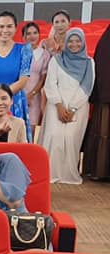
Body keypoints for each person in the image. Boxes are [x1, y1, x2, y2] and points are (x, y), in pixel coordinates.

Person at [40, 27, 95, 184]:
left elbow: (87, 86)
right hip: (55, 104)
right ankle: (49, 174)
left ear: (83, 43)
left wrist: (72, 108)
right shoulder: (56, 60)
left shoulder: (89, 62)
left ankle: (68, 175)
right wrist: (59, 106)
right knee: (54, 137)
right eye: (70, 41)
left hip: (78, 107)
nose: (74, 44)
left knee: (71, 140)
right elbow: (50, 84)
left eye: (78, 41)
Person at [23, 21, 52, 129]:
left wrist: (31, 95)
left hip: (34, 97)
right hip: (18, 94)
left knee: (31, 128)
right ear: (23, 37)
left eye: (35, 33)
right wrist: (23, 96)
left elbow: (42, 79)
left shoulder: (45, 54)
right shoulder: (19, 52)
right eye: (28, 33)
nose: (32, 36)